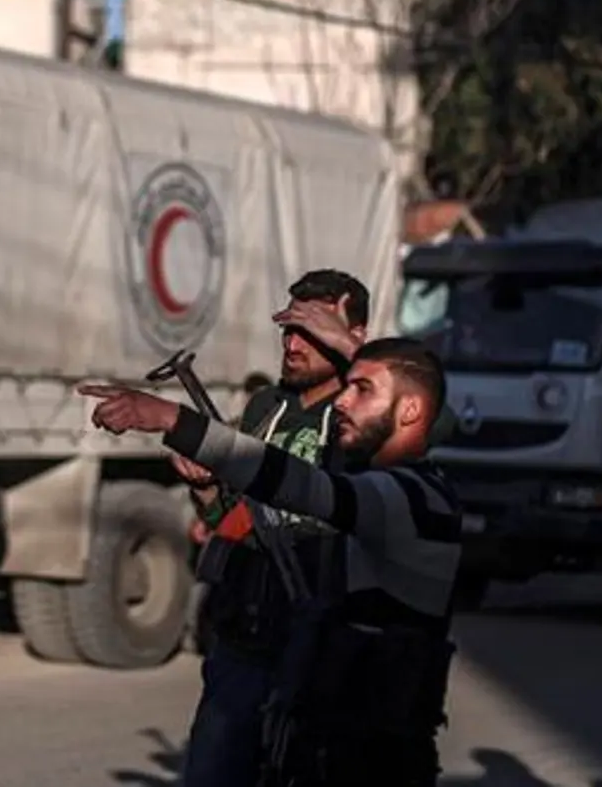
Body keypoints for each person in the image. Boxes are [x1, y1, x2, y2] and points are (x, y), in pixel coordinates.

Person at [84, 335, 464, 787]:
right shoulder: (386, 491)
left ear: (410, 411)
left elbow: (301, 487)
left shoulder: (413, 498)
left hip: (373, 755)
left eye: (363, 389)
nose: (342, 400)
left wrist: (170, 419)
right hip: (334, 739)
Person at [170, 270, 370, 787]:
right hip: (247, 636)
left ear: (355, 337)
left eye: (314, 329)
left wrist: (354, 355)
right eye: (289, 328)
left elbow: (435, 424)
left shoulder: (365, 415)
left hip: (324, 644)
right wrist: (207, 489)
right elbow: (232, 520)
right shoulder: (266, 409)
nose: (294, 343)